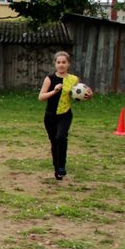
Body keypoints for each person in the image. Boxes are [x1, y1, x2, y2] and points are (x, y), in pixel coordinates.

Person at [38, 50, 92, 181]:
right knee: (54, 142)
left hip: (65, 115)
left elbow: (80, 94)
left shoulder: (73, 79)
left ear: (68, 64)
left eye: (64, 62)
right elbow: (41, 97)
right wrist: (54, 91)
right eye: (58, 62)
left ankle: (62, 166)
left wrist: (89, 95)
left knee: (61, 137)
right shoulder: (49, 79)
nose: (61, 65)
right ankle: (57, 168)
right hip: (50, 116)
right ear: (55, 64)